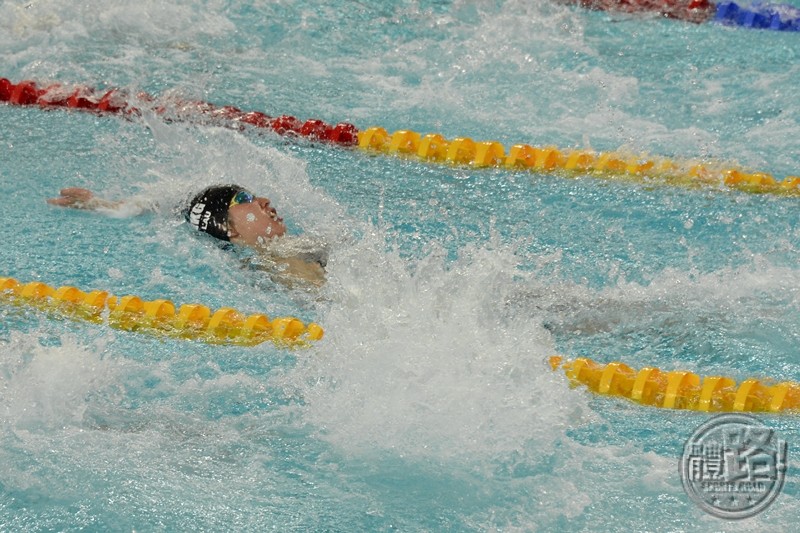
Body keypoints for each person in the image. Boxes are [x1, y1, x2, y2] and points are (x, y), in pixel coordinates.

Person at [47, 184, 327, 287]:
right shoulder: (279, 265)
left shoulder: (290, 250)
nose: (264, 200)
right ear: (231, 231)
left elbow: (167, 204)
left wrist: (106, 205)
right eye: (244, 198)